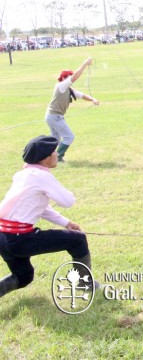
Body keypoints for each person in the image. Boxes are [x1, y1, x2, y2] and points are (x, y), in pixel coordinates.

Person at [0, 136, 98, 299]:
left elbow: (41, 208)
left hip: (3, 238)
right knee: (78, 239)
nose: (57, 154)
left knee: (23, 277)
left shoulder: (24, 175)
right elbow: (67, 201)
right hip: (19, 239)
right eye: (54, 152)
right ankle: (84, 283)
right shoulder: (41, 176)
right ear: (45, 159)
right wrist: (70, 195)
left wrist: (66, 223)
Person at [45, 57, 99, 162]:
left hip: (52, 116)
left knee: (55, 140)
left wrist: (93, 99)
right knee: (69, 137)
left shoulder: (68, 89)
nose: (71, 79)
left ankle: (47, 157)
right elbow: (74, 78)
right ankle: (58, 157)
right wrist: (85, 64)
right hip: (54, 117)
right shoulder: (61, 85)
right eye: (69, 77)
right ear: (64, 78)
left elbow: (82, 95)